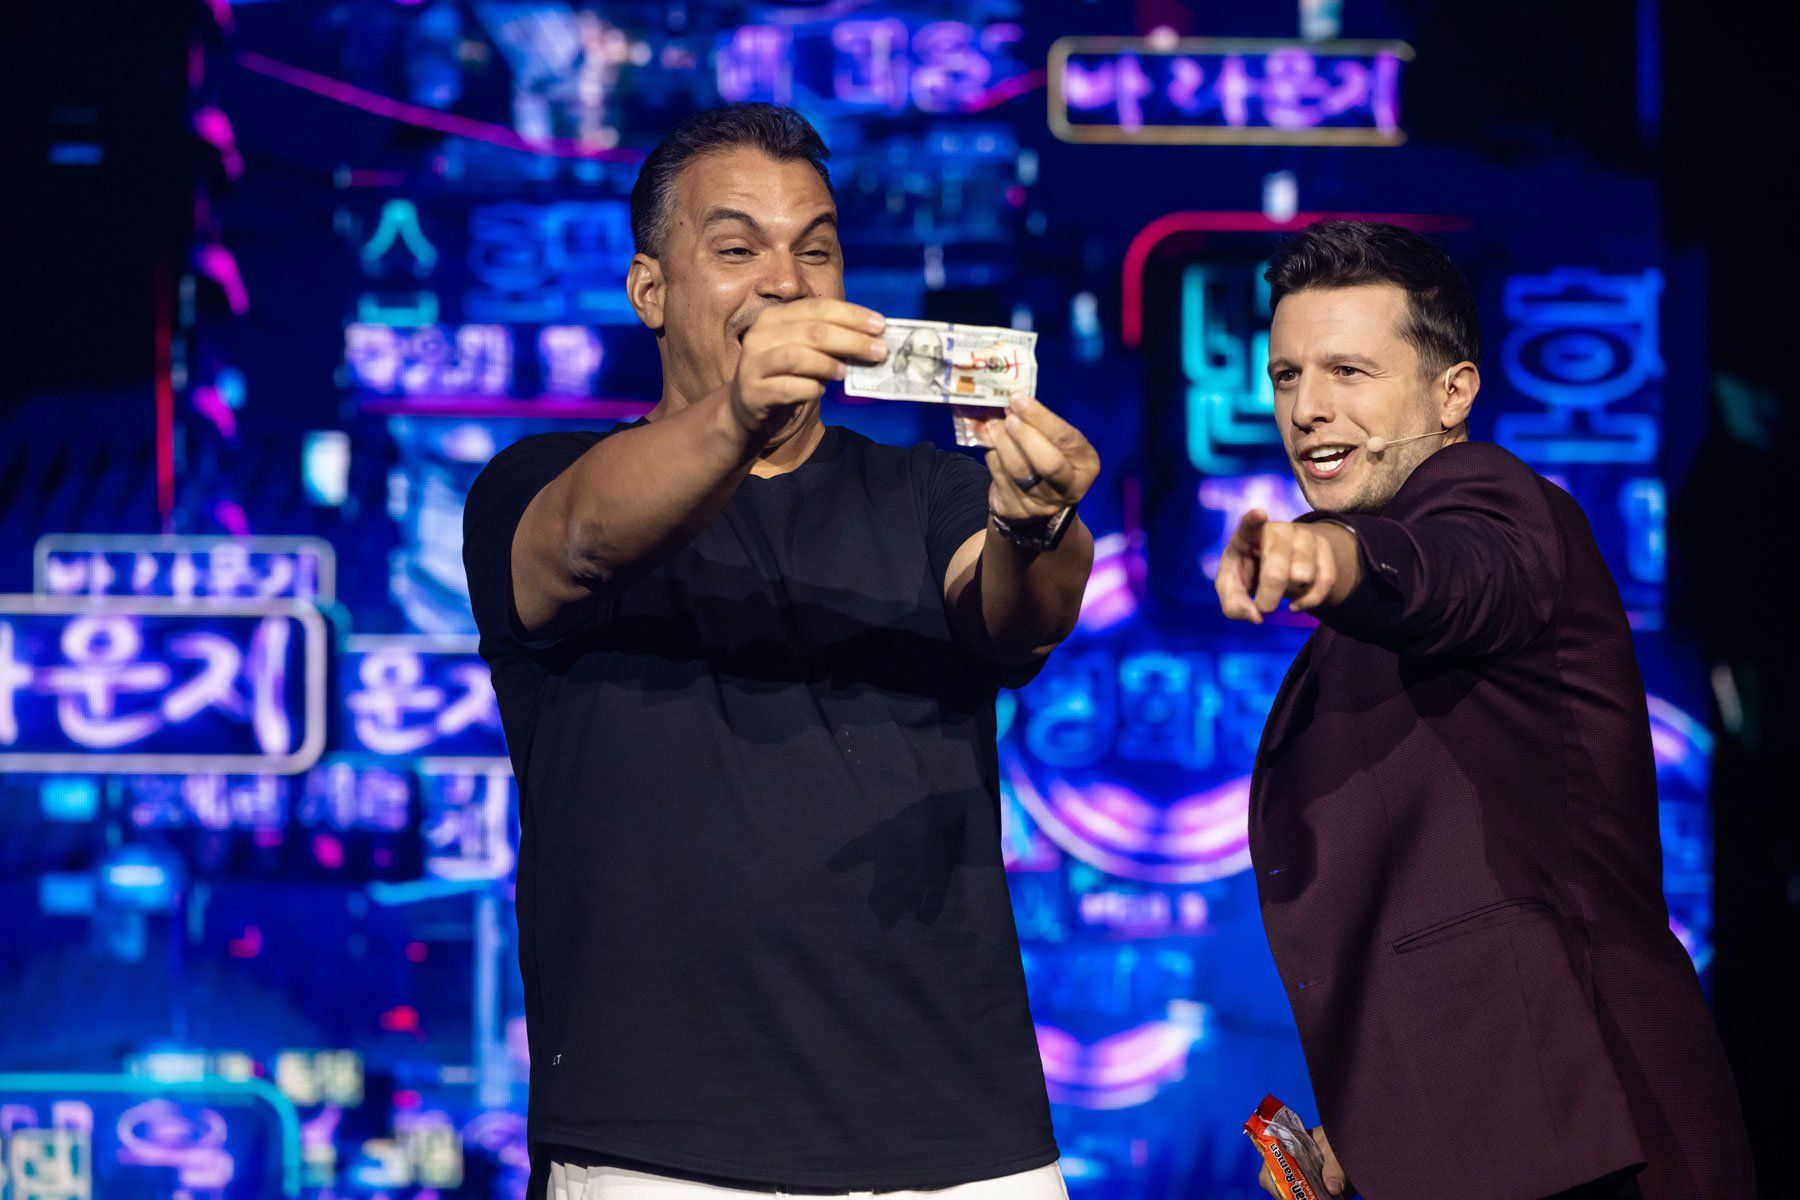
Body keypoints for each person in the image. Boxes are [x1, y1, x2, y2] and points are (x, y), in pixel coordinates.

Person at [461, 103, 1100, 1200]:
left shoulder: (926, 490)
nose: (785, 280)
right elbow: (578, 539)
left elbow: (1016, 613)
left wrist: (1038, 522)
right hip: (661, 1150)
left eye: (816, 248)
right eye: (736, 248)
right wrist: (738, 416)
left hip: (958, 1146)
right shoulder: (537, 481)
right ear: (649, 290)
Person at [1218, 221, 1754, 1200]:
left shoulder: (1498, 505)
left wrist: (1326, 557)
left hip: (1601, 1132)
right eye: (1288, 374)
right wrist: (1376, 1127)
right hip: (1513, 1133)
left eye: (1349, 370)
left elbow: (1446, 575)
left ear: (1452, 391)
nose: (1308, 407)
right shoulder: (1379, 594)